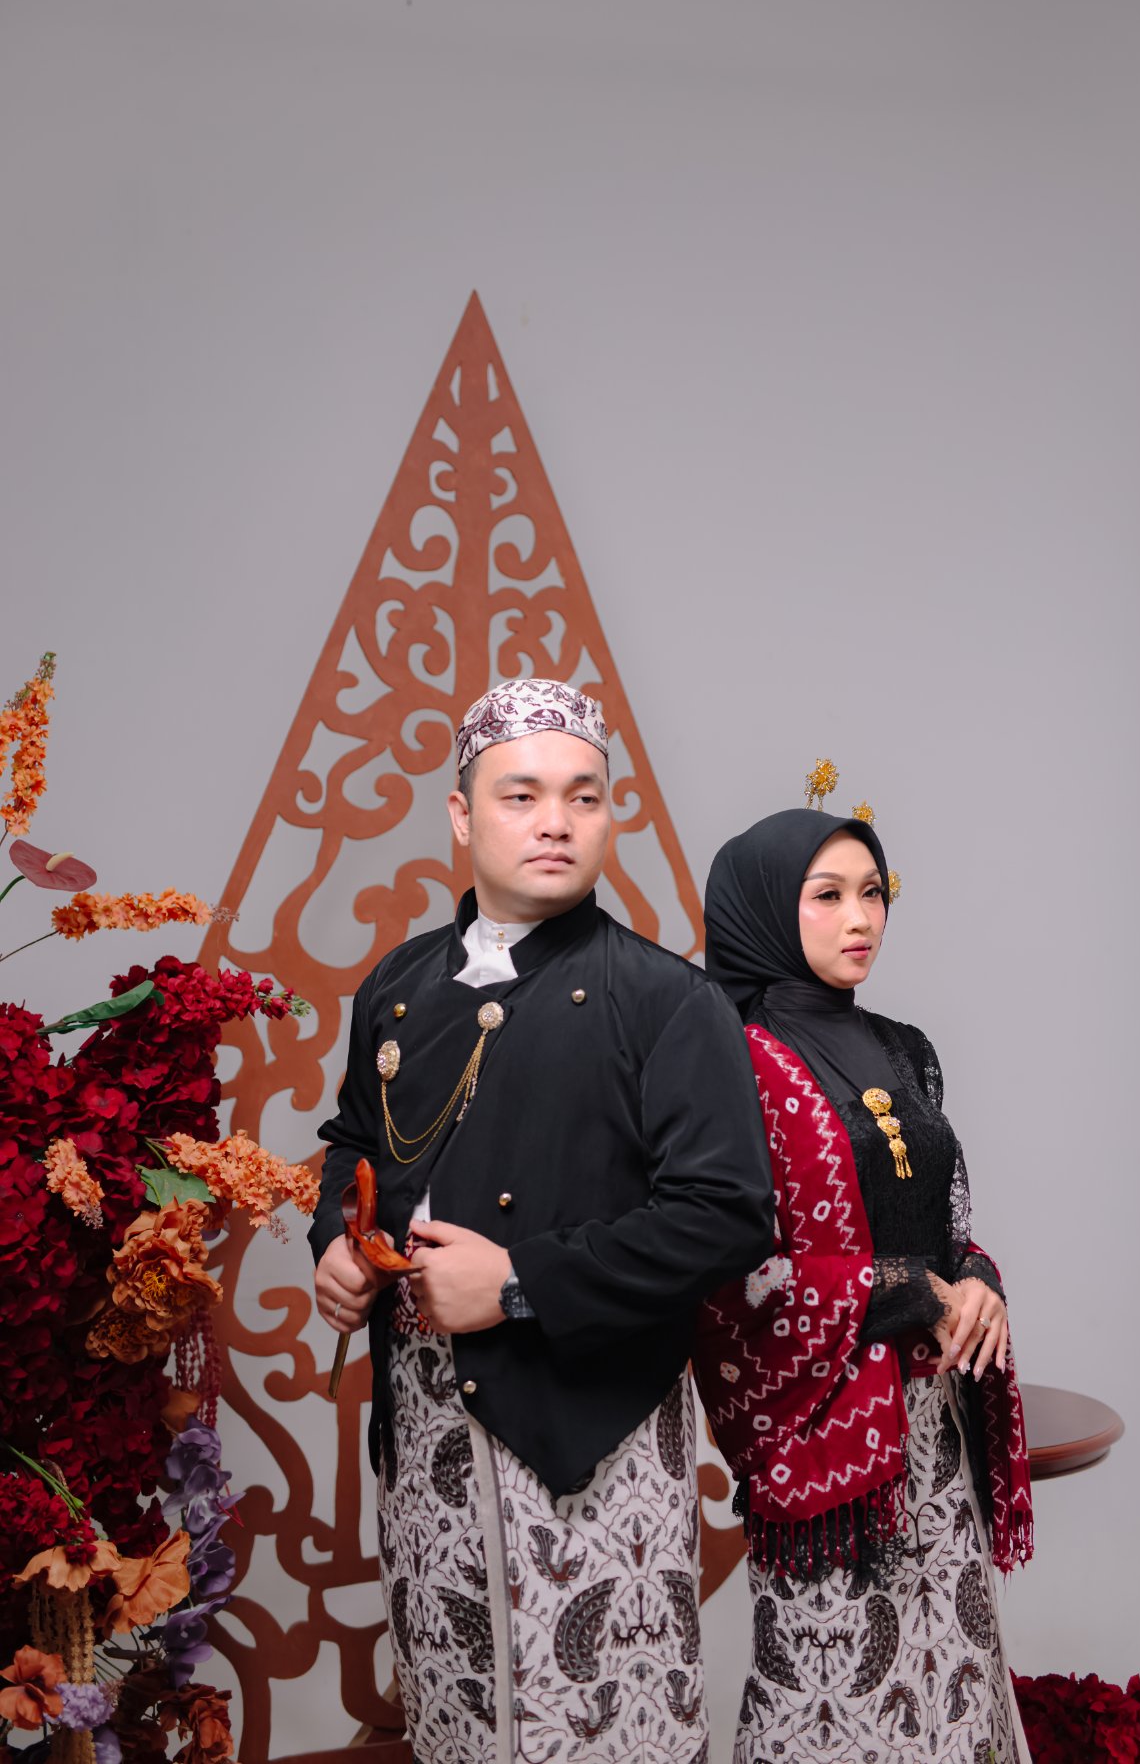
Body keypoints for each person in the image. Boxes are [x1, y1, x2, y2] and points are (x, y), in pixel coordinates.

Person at [309, 677, 775, 1764]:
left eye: (583, 796)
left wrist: (519, 1282)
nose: (555, 821)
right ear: (462, 815)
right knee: (457, 1725)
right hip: (424, 1441)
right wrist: (336, 1241)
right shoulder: (395, 984)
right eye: (520, 796)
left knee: (601, 1734)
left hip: (591, 1438)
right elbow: (351, 1139)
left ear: (609, 817)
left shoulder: (668, 999)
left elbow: (728, 1215)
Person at [692, 805, 1033, 1764]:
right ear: (767, 908)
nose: (861, 918)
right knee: (837, 1703)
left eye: (873, 893)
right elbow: (726, 1274)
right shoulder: (730, 1062)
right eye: (829, 895)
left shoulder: (905, 1047)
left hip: (935, 1424)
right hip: (829, 1438)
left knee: (953, 1686)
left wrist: (976, 1282)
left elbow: (945, 1226)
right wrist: (910, 1291)